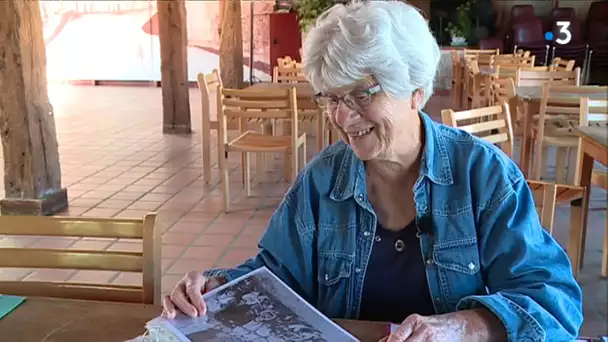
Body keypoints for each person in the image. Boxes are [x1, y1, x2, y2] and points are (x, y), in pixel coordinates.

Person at [162, 1, 583, 341]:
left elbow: (555, 304)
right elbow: (275, 275)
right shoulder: (323, 181)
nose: (342, 117)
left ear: (416, 90)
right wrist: (219, 288)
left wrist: (464, 326)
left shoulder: (482, 175)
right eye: (330, 97)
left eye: (362, 93)